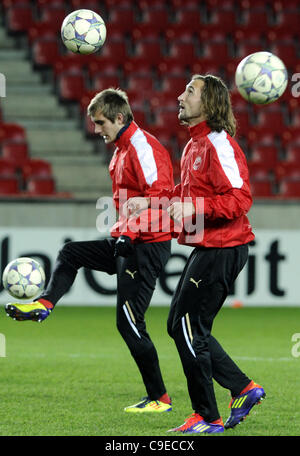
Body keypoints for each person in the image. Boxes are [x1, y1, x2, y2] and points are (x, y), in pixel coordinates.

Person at [5, 88, 175, 414]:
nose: (96, 130)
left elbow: (165, 196)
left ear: (120, 117)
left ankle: (160, 399)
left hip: (147, 245)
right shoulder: (120, 151)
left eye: (100, 123)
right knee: (71, 253)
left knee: (129, 322)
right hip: (129, 239)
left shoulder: (142, 147)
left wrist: (131, 234)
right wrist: (123, 233)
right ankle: (44, 304)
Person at [125, 75, 265, 433]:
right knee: (180, 326)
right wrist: (151, 200)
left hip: (224, 248)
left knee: (189, 329)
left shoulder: (219, 144)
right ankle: (243, 388)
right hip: (209, 247)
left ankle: (208, 417)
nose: (179, 95)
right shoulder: (193, 147)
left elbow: (240, 199)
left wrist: (196, 208)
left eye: (190, 91)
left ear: (211, 102)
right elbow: (183, 198)